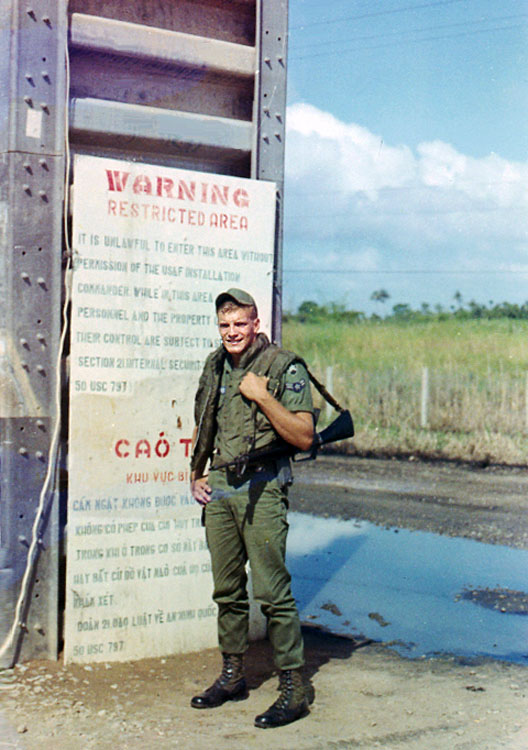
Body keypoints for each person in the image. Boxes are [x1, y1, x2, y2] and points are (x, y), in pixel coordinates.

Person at [190, 288, 314, 729]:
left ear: (256, 324)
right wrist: (196, 472)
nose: (231, 333)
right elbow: (206, 420)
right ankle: (233, 676)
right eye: (225, 325)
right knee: (226, 590)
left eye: (239, 324)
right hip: (221, 488)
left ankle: (293, 688)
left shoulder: (284, 367)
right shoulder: (215, 364)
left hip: (263, 488)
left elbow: (303, 436)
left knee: (273, 594)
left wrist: (262, 396)